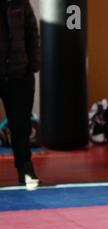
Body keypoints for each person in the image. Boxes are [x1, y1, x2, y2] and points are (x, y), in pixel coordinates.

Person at [0, 0, 40, 188]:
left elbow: (32, 31)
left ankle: (25, 169)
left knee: (21, 126)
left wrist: (33, 65)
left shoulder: (21, 2)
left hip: (19, 74)